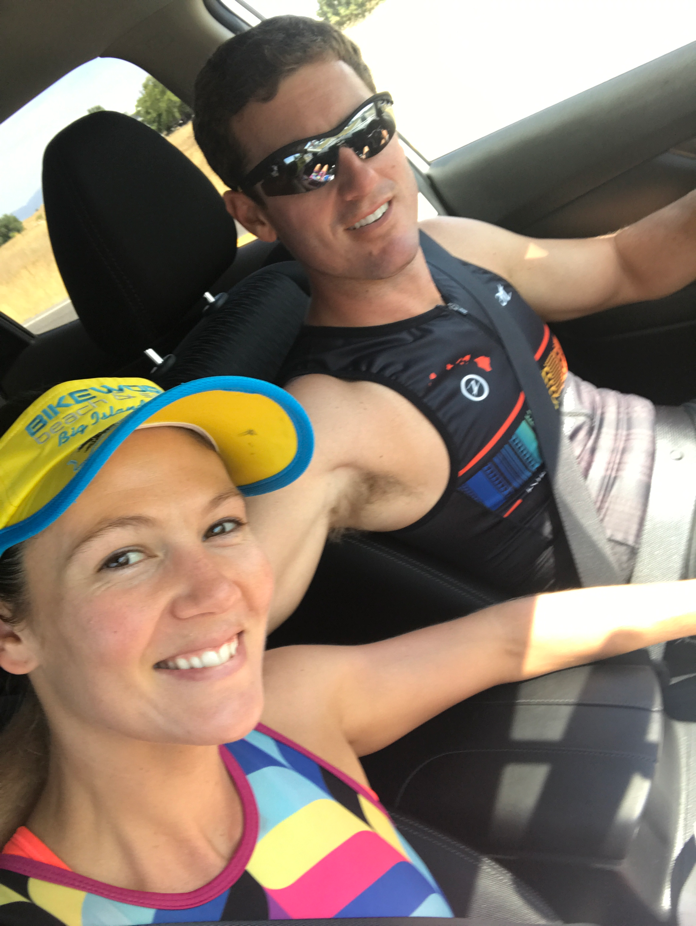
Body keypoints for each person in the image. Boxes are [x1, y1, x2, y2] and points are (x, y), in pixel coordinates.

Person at [1, 375, 696, 925]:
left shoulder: (289, 714)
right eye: (122, 557)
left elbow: (506, 638)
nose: (215, 589)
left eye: (221, 526)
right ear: (11, 632)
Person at [192, 15, 696, 630]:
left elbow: (624, 266)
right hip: (663, 581)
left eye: (368, 130)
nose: (360, 180)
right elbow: (215, 632)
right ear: (255, 216)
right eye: (305, 166)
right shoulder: (331, 418)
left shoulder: (453, 245)